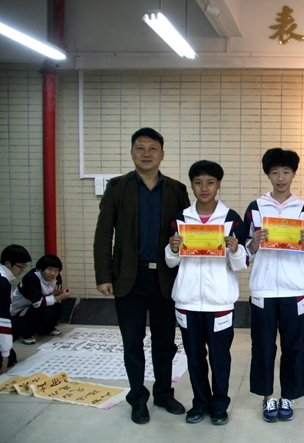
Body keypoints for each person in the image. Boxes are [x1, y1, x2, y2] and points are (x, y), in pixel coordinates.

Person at [93, 127, 190, 424]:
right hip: (128, 278)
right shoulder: (117, 187)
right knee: (133, 342)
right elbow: (103, 234)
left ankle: (163, 393)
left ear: (162, 154)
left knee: (165, 342)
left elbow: (187, 233)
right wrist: (103, 275)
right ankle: (137, 398)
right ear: (132, 152)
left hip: (165, 278)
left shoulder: (176, 189)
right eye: (140, 148)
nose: (146, 154)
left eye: (152, 148)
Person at [166, 160, 247, 426]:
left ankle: (220, 405)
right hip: (187, 301)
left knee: (220, 357)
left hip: (219, 302)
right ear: (191, 185)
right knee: (194, 356)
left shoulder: (231, 219)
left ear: (218, 185)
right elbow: (171, 262)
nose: (204, 188)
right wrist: (173, 248)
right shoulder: (180, 219)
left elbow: (240, 264)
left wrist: (235, 249)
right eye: (198, 182)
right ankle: (200, 403)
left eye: (210, 182)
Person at [243, 148, 304, 423]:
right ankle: (267, 396)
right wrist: (253, 243)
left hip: (294, 289)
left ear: (294, 174)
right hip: (263, 289)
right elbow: (244, 253)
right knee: (263, 346)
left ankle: (289, 396)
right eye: (275, 172)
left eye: (286, 172)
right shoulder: (255, 208)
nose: (281, 178)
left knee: (294, 346)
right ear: (268, 175)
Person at [11, 254, 71, 343]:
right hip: (19, 311)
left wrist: (59, 293)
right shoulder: (31, 278)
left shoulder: (57, 277)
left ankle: (46, 329)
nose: (53, 273)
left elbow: (51, 297)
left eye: (56, 270)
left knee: (59, 307)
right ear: (40, 269)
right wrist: (60, 296)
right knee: (46, 311)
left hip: (36, 307)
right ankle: (27, 334)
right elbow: (37, 303)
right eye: (49, 269)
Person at [0, 245, 31, 373]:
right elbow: (2, 319)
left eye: (24, 266)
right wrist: (5, 352)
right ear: (7, 263)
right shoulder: (2, 282)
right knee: (9, 359)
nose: (22, 270)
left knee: (19, 324)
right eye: (19, 266)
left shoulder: (4, 277)